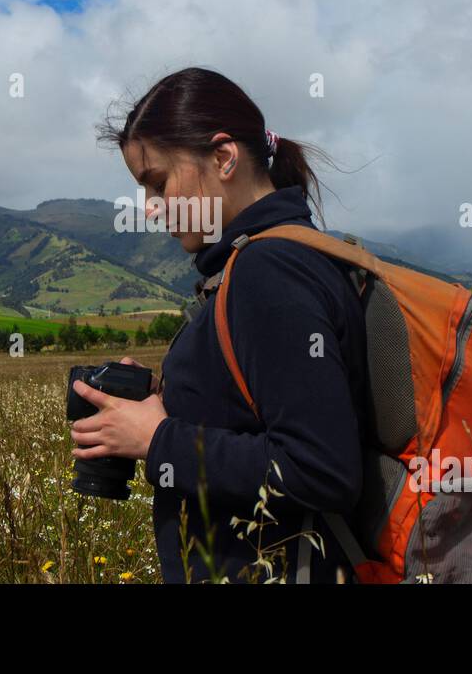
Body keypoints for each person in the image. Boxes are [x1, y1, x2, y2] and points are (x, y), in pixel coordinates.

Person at [69, 66, 369, 583]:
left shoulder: (269, 270)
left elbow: (322, 469)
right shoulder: (268, 258)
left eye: (157, 183)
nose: (151, 209)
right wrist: (170, 401)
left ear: (224, 157)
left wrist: (158, 438)